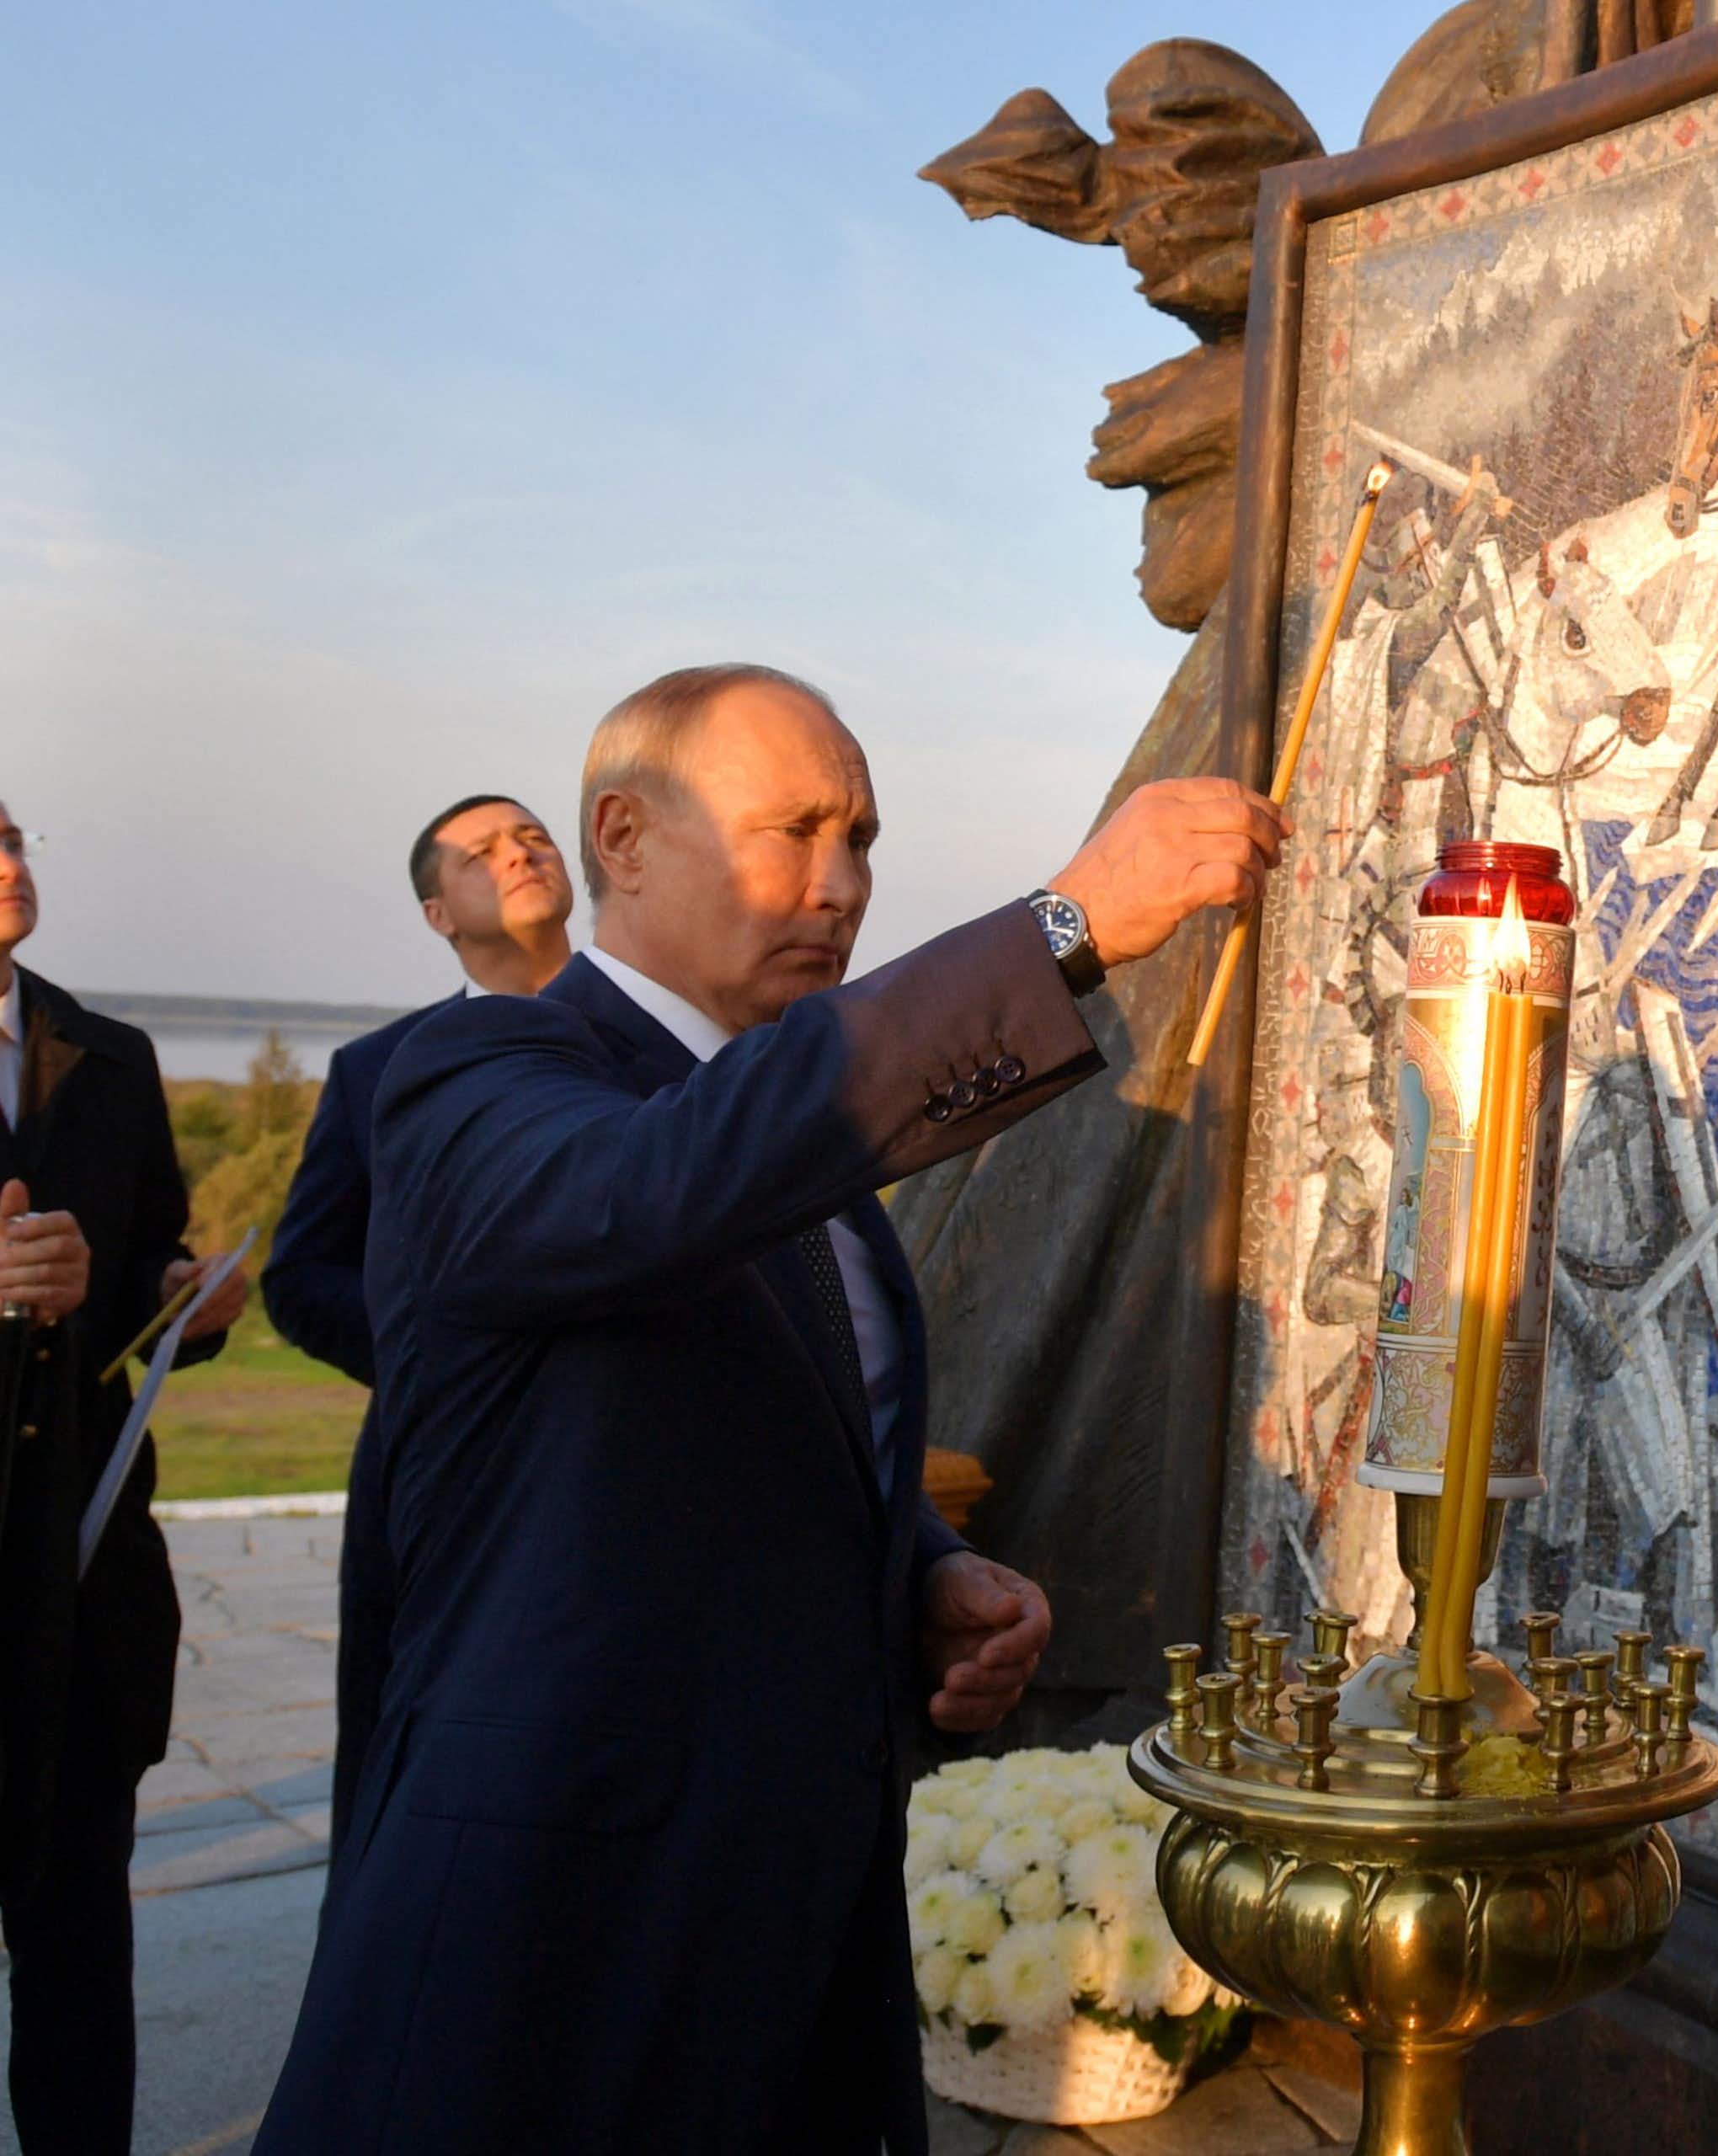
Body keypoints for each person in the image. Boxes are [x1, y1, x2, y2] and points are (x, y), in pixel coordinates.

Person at [254, 664, 1286, 2156]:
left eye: (861, 839)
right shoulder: (471, 1073)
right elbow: (653, 1192)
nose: (841, 883)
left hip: (783, 1943)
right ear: (621, 837)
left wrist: (923, 1571)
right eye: (793, 830)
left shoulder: (804, 1165)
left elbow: (756, 1428)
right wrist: (1056, 933)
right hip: (555, 1944)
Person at [0, 799, 245, 2156]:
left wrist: (181, 1298)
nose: (10, 864)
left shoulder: (116, 1055)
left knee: (84, 1953)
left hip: (86, 1590)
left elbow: (144, 1274)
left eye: (15, 835)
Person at [261, 793, 574, 1844]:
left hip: (633, 1473)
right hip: (437, 1471)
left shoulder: (661, 1040)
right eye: (482, 852)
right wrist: (443, 1354)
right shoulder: (374, 1074)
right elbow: (299, 1276)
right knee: (413, 1786)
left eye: (531, 835)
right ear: (440, 915)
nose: (519, 853)